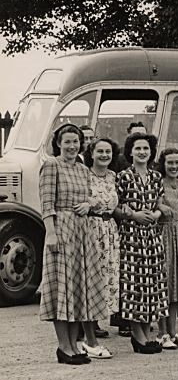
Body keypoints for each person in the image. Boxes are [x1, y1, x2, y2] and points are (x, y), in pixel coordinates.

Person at [39, 124, 108, 365]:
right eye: (67, 142)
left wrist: (89, 205)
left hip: (82, 232)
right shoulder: (51, 165)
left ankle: (74, 346)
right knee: (62, 290)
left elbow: (92, 198)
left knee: (78, 288)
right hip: (61, 229)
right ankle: (63, 347)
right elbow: (46, 203)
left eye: (76, 142)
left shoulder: (81, 168)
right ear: (58, 143)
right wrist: (51, 234)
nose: (72, 146)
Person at [116, 132, 168, 354]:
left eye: (146, 148)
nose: (142, 152)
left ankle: (146, 334)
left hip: (152, 235)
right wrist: (133, 215)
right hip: (131, 235)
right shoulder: (123, 177)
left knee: (152, 285)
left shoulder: (156, 177)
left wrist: (156, 215)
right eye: (137, 148)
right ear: (130, 152)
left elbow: (160, 204)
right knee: (135, 285)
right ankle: (138, 337)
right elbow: (115, 207)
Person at [80, 137, 122, 358]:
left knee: (106, 283)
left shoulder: (113, 176)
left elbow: (117, 205)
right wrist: (88, 205)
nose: (104, 155)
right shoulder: (84, 175)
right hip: (91, 229)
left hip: (110, 231)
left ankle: (93, 331)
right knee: (91, 282)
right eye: (100, 151)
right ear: (92, 153)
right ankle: (89, 340)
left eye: (108, 151)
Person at [154, 148, 178, 349]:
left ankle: (173, 331)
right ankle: (161, 333)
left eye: (177, 162)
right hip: (165, 235)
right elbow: (156, 204)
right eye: (170, 162)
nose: (174, 166)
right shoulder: (158, 183)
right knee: (165, 283)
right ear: (163, 164)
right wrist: (161, 208)